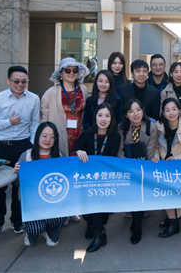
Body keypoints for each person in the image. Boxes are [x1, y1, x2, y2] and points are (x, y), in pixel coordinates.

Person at [0, 65, 39, 238]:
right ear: (8, 81)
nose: (20, 85)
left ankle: (17, 221)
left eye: (24, 81)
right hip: (0, 146)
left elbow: (35, 123)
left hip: (23, 145)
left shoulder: (33, 99)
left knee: (20, 186)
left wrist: (32, 145)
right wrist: (8, 122)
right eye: (16, 81)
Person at [73, 102, 122, 252]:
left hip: (104, 181)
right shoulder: (86, 134)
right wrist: (78, 152)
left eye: (107, 116)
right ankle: (91, 224)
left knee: (100, 211)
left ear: (111, 118)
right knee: (88, 214)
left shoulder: (115, 137)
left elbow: (111, 160)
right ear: (95, 117)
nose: (103, 119)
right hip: (86, 180)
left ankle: (99, 234)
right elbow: (73, 153)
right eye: (100, 115)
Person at [13, 122, 65, 247]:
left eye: (52, 137)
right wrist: (16, 174)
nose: (48, 140)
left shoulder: (60, 157)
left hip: (54, 200)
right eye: (44, 136)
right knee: (35, 228)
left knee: (57, 220)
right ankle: (32, 232)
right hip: (32, 202)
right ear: (37, 137)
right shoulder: (26, 156)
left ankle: (50, 232)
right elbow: (17, 185)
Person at [152, 98, 181, 237]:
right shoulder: (159, 126)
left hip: (179, 167)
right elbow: (156, 147)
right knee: (165, 193)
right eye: (167, 110)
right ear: (163, 113)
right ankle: (172, 219)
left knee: (173, 194)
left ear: (179, 110)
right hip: (163, 166)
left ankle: (173, 223)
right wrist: (156, 158)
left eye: (174, 109)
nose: (171, 113)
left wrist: (175, 158)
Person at [117, 99, 158, 244]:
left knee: (140, 194)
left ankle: (137, 226)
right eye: (131, 111)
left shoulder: (151, 126)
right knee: (132, 195)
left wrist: (142, 169)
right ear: (126, 115)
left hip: (145, 166)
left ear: (143, 111)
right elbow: (119, 150)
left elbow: (151, 150)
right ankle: (136, 219)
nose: (136, 114)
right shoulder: (121, 128)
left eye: (138, 110)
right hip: (128, 167)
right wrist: (128, 167)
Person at [41, 58, 89, 162]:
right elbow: (44, 121)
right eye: (67, 70)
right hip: (59, 136)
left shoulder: (83, 90)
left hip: (79, 135)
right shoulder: (50, 93)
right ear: (61, 73)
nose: (71, 73)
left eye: (74, 70)